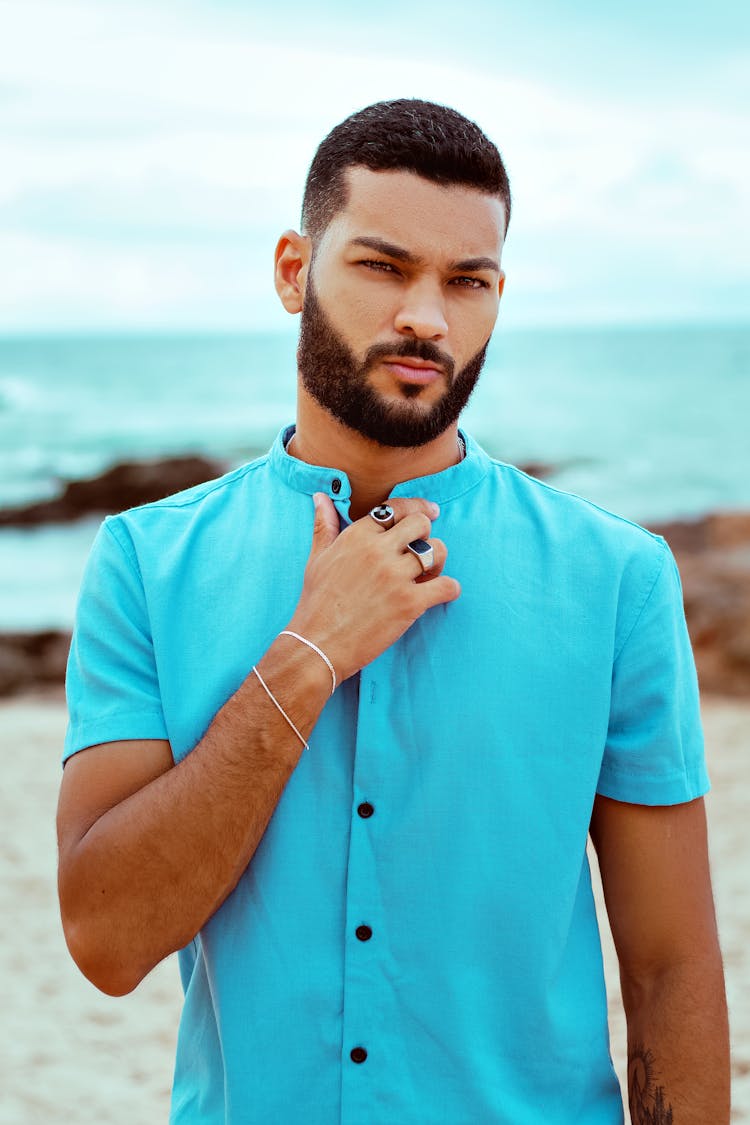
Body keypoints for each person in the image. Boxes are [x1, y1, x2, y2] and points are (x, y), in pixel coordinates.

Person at [57, 99, 729, 1124]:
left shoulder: (617, 578)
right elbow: (106, 940)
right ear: (293, 270)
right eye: (384, 266)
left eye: (469, 282)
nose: (428, 316)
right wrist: (308, 654)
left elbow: (672, 969)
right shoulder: (147, 563)